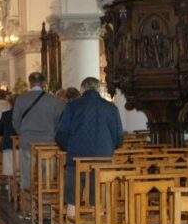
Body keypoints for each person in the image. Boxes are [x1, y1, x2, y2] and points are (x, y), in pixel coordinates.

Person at [55, 77, 124, 207]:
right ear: (98, 89)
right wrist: (107, 148)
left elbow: (61, 134)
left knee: (73, 200)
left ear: (82, 89)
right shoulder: (111, 108)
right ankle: (98, 216)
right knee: (99, 199)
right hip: (103, 160)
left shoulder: (72, 106)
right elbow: (118, 138)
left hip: (76, 159)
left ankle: (72, 218)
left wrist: (69, 148)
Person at [13, 72, 65, 191]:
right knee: (47, 172)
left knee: (27, 172)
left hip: (27, 140)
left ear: (30, 83)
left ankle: (27, 196)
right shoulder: (53, 100)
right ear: (43, 83)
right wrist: (53, 133)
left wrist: (21, 133)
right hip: (48, 141)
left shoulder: (21, 99)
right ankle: (45, 193)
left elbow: (15, 120)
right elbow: (59, 121)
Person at [0, 95, 18, 176]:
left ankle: (10, 182)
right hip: (24, 147)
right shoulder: (27, 115)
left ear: (10, 103)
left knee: (9, 171)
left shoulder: (6, 114)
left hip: (9, 145)